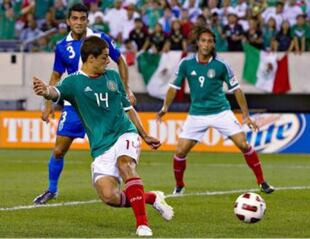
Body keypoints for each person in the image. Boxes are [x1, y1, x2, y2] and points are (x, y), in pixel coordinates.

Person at [32, 36, 174, 236]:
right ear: (90, 59)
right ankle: (151, 198)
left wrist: (144, 134)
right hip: (100, 146)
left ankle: (142, 224)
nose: (109, 61)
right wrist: (44, 90)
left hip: (124, 133)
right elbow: (55, 92)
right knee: (110, 197)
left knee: (126, 165)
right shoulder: (73, 82)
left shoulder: (113, 77)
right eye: (104, 57)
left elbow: (128, 108)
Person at [33, 3, 136, 205]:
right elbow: (56, 75)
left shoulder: (100, 38)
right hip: (75, 105)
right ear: (68, 21)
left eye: (82, 18)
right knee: (58, 150)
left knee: (115, 147)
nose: (79, 22)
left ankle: (128, 187)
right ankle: (51, 190)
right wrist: (48, 105)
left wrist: (127, 88)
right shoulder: (62, 47)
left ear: (87, 20)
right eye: (75, 19)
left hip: (101, 104)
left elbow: (120, 60)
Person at [156, 26, 275, 195]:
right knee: (180, 151)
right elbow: (173, 87)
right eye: (203, 41)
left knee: (243, 144)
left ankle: (262, 182)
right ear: (197, 43)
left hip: (221, 112)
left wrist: (246, 116)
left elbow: (237, 90)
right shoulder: (186, 64)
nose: (206, 44)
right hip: (197, 114)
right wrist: (164, 108)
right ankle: (180, 185)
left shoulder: (221, 66)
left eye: (210, 41)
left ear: (213, 44)